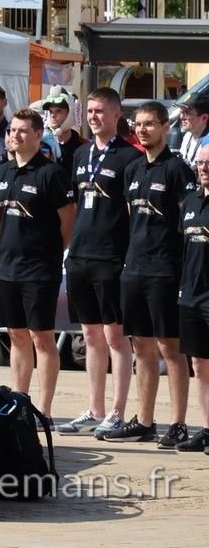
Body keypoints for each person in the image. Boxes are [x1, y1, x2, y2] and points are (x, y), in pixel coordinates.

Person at [103, 101, 195, 445]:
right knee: (140, 347)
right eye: (138, 124)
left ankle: (179, 422)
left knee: (170, 349)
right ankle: (145, 420)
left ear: (164, 128)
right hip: (134, 269)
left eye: (149, 124)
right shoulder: (133, 169)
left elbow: (187, 223)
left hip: (166, 271)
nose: (142, 130)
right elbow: (131, 218)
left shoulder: (177, 170)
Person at [56, 87, 142, 436]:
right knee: (90, 336)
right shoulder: (80, 155)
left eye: (101, 111)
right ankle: (95, 408)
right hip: (80, 255)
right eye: (90, 111)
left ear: (117, 114)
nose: (94, 117)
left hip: (112, 257)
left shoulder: (130, 158)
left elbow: (132, 213)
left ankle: (118, 412)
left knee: (116, 338)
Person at [0, 108, 74, 418]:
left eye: (23, 131)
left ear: (38, 136)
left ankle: (45, 409)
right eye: (12, 130)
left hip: (40, 270)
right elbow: (0, 220)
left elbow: (68, 222)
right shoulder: (2, 173)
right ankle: (20, 402)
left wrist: (50, 252)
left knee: (42, 336)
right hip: (6, 268)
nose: (15, 135)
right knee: (16, 335)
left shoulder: (50, 174)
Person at [177, 142, 209, 454]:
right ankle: (207, 427)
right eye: (200, 163)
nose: (204, 169)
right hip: (191, 296)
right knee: (199, 364)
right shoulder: (190, 202)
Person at [42, 86, 84, 171]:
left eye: (58, 111)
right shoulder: (42, 144)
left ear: (71, 114)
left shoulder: (83, 147)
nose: (53, 115)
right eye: (50, 111)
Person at [178, 91, 209, 167]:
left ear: (204, 118)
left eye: (187, 113)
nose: (182, 117)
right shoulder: (188, 136)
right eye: (182, 112)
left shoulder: (207, 143)